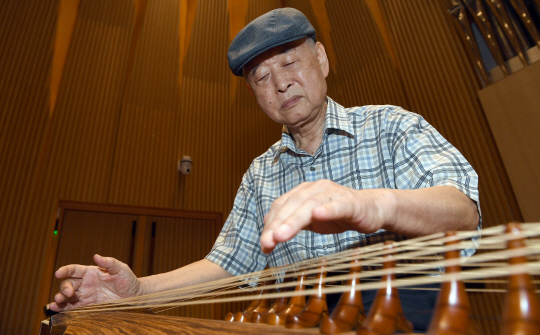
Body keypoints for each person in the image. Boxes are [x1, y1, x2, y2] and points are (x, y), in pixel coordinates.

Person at [49, 8, 480, 331]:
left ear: (322, 60)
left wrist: (374, 204)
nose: (279, 83)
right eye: (260, 76)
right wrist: (139, 290)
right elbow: (227, 265)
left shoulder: (391, 125)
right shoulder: (260, 174)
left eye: (289, 62)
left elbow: (463, 210)